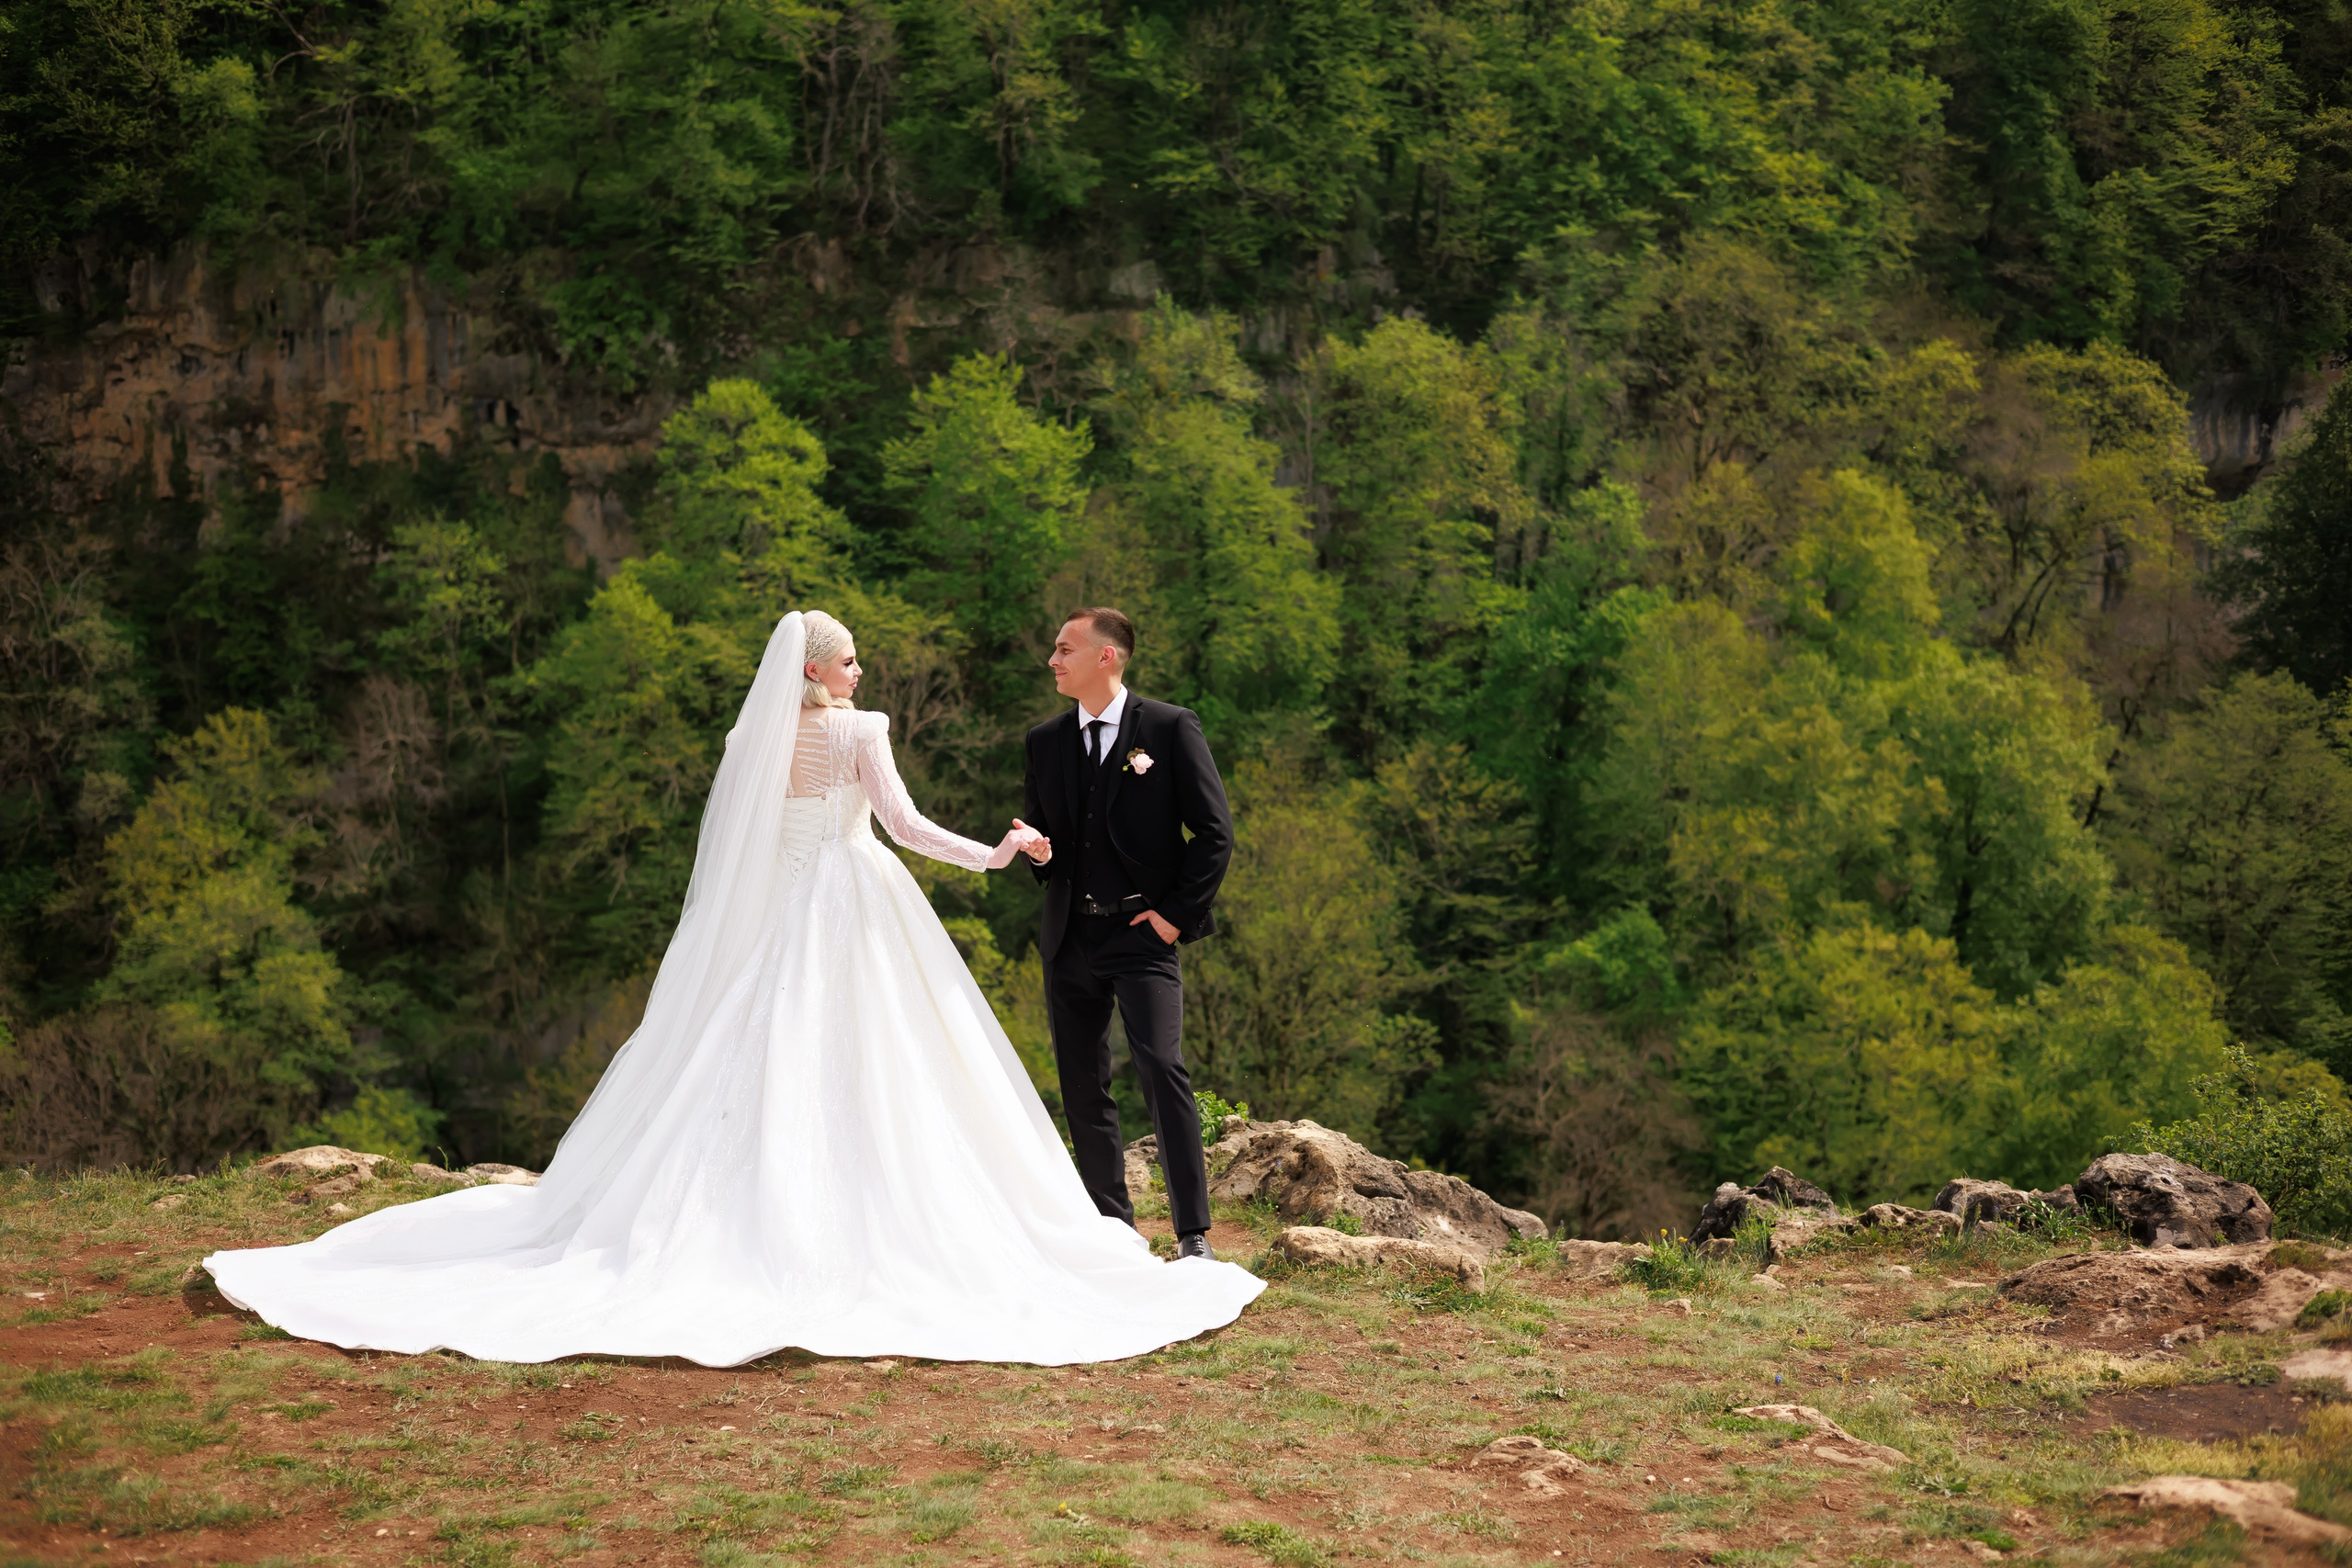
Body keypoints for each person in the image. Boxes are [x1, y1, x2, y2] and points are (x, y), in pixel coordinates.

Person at [203, 611, 1263, 1366]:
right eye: (850, 658)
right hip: (856, 902)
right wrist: (995, 853)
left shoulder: (754, 742)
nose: (861, 670)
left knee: (765, 1053)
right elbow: (900, 826)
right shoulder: (857, 732)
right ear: (821, 671)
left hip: (783, 917)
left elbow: (744, 850)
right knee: (892, 1059)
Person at [1020, 608, 1233, 1260]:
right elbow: (1044, 837)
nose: (1053, 660)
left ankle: (1193, 1233)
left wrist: (1172, 917)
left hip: (1143, 936)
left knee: (1163, 1069)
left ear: (1106, 656)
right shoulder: (1045, 740)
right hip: (1069, 937)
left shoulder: (1168, 727)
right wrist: (1038, 852)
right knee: (1083, 1086)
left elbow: (1215, 833)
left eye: (1065, 649)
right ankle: (1112, 1230)